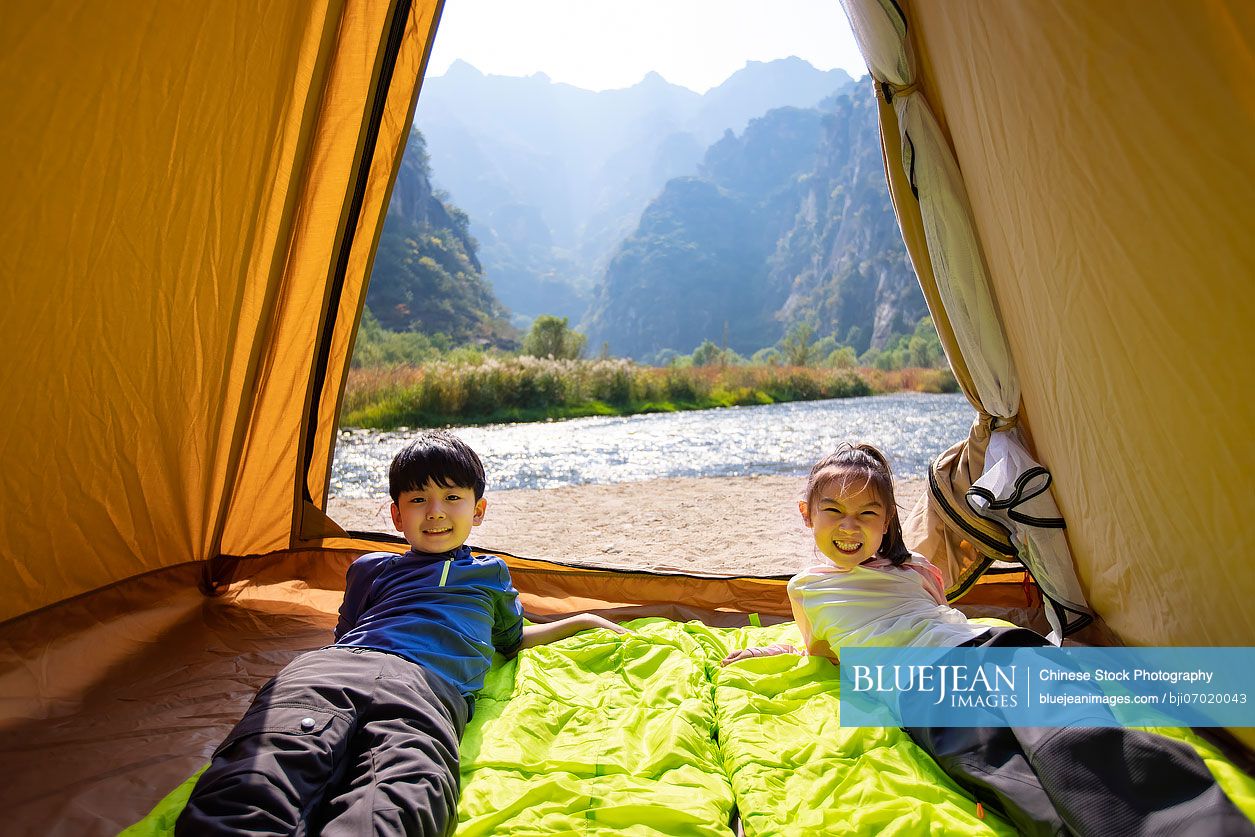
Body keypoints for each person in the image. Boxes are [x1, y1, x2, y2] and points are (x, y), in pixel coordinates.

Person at [723, 442, 1253, 837]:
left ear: (887, 524)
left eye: (867, 513)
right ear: (806, 515)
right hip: (924, 690)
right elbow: (818, 648)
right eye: (833, 511)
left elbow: (943, 616)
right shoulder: (807, 590)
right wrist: (773, 652)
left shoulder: (915, 571)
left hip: (988, 649)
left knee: (1079, 736)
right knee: (1013, 781)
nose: (849, 525)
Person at [177, 430, 625, 836]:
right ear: (396, 514)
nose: (435, 513)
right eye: (417, 500)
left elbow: (513, 639)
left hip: (426, 689)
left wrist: (583, 622)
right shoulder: (371, 568)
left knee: (402, 797)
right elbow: (344, 635)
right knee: (259, 775)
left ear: (478, 510)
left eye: (452, 497)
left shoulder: (490, 574)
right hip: (334, 671)